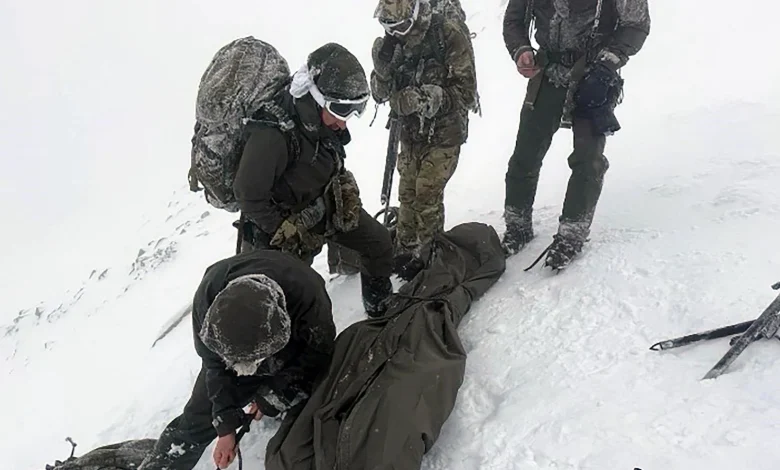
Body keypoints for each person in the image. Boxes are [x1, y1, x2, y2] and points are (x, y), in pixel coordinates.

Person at [233, 42, 394, 315]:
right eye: (342, 110)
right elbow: (248, 194)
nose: (347, 120)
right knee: (282, 305)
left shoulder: (317, 119)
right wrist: (286, 232)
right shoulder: (273, 135)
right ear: (317, 97)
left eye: (357, 109)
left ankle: (379, 308)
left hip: (326, 206)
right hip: (284, 228)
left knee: (379, 244)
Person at [138, 249, 337, 470]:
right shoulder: (208, 298)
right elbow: (213, 364)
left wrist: (275, 395)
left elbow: (317, 353)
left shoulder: (309, 297)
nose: (247, 372)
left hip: (292, 343)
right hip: (238, 345)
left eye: (251, 364)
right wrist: (224, 423)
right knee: (197, 418)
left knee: (311, 392)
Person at [501, 0, 650, 269]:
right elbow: (514, 19)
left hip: (593, 74)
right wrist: (521, 49)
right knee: (525, 152)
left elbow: (636, 25)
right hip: (546, 70)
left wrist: (607, 65)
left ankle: (572, 234)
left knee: (588, 158)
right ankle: (517, 225)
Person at [370, 0, 478, 280]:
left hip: (444, 132)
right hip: (409, 133)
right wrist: (381, 70)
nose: (396, 34)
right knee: (407, 193)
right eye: (388, 27)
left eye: (401, 26)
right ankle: (405, 250)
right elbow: (380, 95)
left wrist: (423, 98)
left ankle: (430, 255)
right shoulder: (392, 44)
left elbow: (465, 92)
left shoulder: (448, 34)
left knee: (426, 194)